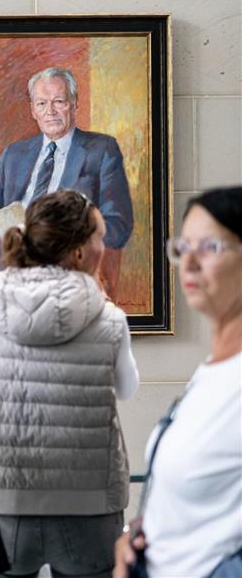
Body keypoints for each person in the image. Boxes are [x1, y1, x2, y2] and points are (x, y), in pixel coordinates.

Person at [0, 189, 139, 578]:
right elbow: (127, 389)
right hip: (88, 503)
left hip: (1, 501)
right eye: (99, 236)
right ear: (78, 253)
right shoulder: (108, 317)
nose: (103, 245)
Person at [113, 186, 242, 578]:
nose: (189, 263)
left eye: (210, 247)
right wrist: (138, 534)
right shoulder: (212, 371)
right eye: (183, 247)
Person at [0, 67, 134, 314]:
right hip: (4, 253)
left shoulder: (101, 150)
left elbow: (118, 223)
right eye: (42, 103)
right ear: (33, 110)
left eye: (59, 101)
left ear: (74, 103)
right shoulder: (15, 154)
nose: (50, 111)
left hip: (59, 254)